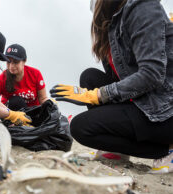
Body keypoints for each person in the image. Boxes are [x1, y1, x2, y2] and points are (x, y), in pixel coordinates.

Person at [50, 0, 173, 173]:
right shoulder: (113, 28)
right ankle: (115, 151)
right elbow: (120, 79)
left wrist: (98, 95)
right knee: (89, 77)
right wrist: (92, 93)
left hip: (164, 110)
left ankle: (166, 149)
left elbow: (152, 74)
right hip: (144, 102)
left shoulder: (143, 6)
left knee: (81, 128)